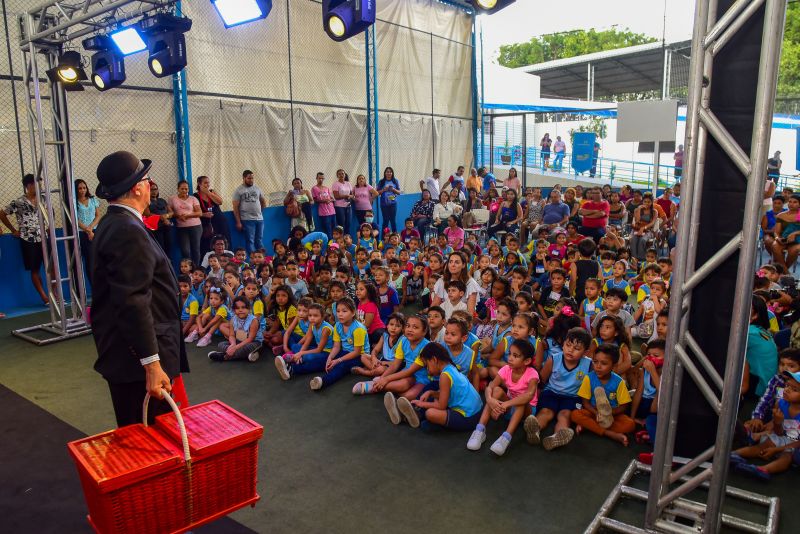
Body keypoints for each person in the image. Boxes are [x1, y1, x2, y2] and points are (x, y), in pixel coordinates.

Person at [89, 151, 185, 427]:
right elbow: (132, 301)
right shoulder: (126, 229)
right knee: (153, 440)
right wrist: (152, 364)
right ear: (137, 187)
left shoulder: (116, 223)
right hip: (136, 361)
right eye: (147, 179)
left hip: (132, 354)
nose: (150, 185)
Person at [524, 327, 592, 450]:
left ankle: (556, 438)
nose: (570, 350)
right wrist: (535, 399)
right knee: (546, 412)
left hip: (572, 397)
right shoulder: (554, 359)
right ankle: (534, 430)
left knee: (564, 415)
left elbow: (592, 386)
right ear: (563, 344)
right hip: (551, 392)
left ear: (585, 352)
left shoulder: (588, 364)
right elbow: (542, 380)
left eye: (576, 348)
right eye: (568, 345)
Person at [389, 342, 483, 432]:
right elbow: (447, 395)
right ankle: (409, 415)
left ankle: (411, 415)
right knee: (430, 398)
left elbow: (441, 406)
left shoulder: (445, 375)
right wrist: (431, 393)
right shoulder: (451, 368)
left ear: (434, 360)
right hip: (476, 411)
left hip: (469, 417)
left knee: (430, 414)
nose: (427, 370)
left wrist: (422, 404)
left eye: (427, 365)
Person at [467, 338, 538, 455]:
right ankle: (480, 430)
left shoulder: (532, 373)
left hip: (526, 411)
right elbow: (490, 387)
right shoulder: (506, 369)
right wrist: (490, 400)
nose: (510, 358)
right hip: (507, 407)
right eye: (509, 353)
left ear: (527, 361)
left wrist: (505, 404)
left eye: (515, 356)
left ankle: (506, 437)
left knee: (520, 401)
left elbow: (529, 396)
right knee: (497, 390)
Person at [0, 174, 52, 304]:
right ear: (29, 185)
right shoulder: (18, 202)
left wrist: (49, 225)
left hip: (44, 237)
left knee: (51, 266)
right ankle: (44, 297)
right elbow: (2, 213)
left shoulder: (43, 199)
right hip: (28, 239)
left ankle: (55, 293)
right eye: (37, 184)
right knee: (35, 269)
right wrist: (13, 230)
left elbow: (51, 212)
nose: (39, 187)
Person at [570, 344, 635, 446]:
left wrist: (610, 413)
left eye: (604, 363)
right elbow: (585, 403)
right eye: (595, 362)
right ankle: (610, 434)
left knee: (630, 424)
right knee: (575, 415)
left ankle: (590, 427)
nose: (598, 366)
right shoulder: (589, 378)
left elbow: (624, 406)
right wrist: (596, 413)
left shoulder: (619, 382)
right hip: (593, 412)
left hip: (612, 415)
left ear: (613, 366)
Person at [207, 295, 263, 362]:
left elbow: (250, 338)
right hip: (239, 341)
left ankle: (224, 356)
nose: (240, 310)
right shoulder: (233, 320)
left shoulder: (253, 320)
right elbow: (232, 335)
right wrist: (233, 345)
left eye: (243, 307)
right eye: (237, 308)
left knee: (246, 348)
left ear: (249, 309)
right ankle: (245, 355)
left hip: (254, 342)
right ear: (234, 310)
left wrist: (235, 347)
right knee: (221, 344)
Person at [169, 180, 203, 266]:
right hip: (182, 228)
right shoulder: (172, 199)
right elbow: (170, 212)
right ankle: (188, 270)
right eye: (182, 189)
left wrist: (187, 216)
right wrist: (178, 216)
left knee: (196, 249)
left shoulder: (193, 199)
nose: (184, 191)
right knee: (185, 250)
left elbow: (199, 213)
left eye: (186, 189)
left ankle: (196, 270)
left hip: (195, 226)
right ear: (178, 189)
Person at [232, 169, 267, 254]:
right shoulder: (238, 190)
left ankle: (262, 260)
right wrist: (238, 222)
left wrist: (259, 212)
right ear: (244, 178)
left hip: (259, 219)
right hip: (247, 219)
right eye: (249, 178)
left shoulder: (257, 188)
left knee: (259, 240)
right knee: (250, 241)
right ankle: (254, 260)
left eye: (252, 178)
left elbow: (263, 202)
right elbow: (235, 207)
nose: (251, 180)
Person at [74, 178, 103, 280]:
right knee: (89, 259)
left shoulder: (92, 200)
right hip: (82, 233)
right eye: (79, 188)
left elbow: (98, 215)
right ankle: (93, 284)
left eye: (84, 188)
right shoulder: (74, 202)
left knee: (99, 258)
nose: (82, 190)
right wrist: (87, 230)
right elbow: (75, 220)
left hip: (94, 231)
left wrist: (90, 229)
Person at [194, 175, 229, 256]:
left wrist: (208, 193)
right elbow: (196, 212)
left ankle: (226, 261)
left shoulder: (212, 192)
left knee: (224, 242)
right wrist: (203, 214)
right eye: (205, 183)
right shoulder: (195, 196)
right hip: (207, 224)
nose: (207, 185)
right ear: (199, 184)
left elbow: (220, 202)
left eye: (208, 183)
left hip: (220, 221)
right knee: (209, 245)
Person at [377, 167, 402, 234]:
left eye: (390, 172)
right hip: (384, 204)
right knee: (385, 221)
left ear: (392, 173)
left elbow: (399, 192)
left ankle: (395, 237)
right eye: (387, 172)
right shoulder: (381, 182)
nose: (389, 173)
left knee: (393, 220)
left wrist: (393, 189)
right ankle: (383, 238)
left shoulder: (395, 181)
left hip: (393, 204)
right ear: (385, 173)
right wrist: (383, 190)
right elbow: (377, 193)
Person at [311, 172, 336, 237]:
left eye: (322, 178)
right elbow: (315, 200)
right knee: (328, 230)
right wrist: (324, 201)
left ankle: (335, 244)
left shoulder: (326, 188)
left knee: (334, 229)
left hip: (332, 211)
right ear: (316, 178)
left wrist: (330, 200)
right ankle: (330, 244)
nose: (321, 180)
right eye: (319, 178)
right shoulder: (314, 188)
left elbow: (332, 198)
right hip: (324, 212)